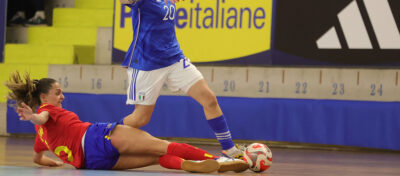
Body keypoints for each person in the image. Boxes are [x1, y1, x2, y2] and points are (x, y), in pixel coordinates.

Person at [118, 0, 243, 159]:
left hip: (174, 59)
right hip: (146, 63)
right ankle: (105, 136)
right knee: (140, 119)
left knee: (209, 99)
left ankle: (229, 148)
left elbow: (162, 0)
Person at [5, 71, 249, 172]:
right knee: (164, 146)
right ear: (43, 97)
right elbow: (42, 116)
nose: (62, 96)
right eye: (58, 92)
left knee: (156, 157)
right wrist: (33, 116)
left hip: (91, 163)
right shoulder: (47, 111)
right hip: (96, 138)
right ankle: (218, 160)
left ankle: (188, 165)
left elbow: (37, 158)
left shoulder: (41, 135)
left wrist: (55, 163)